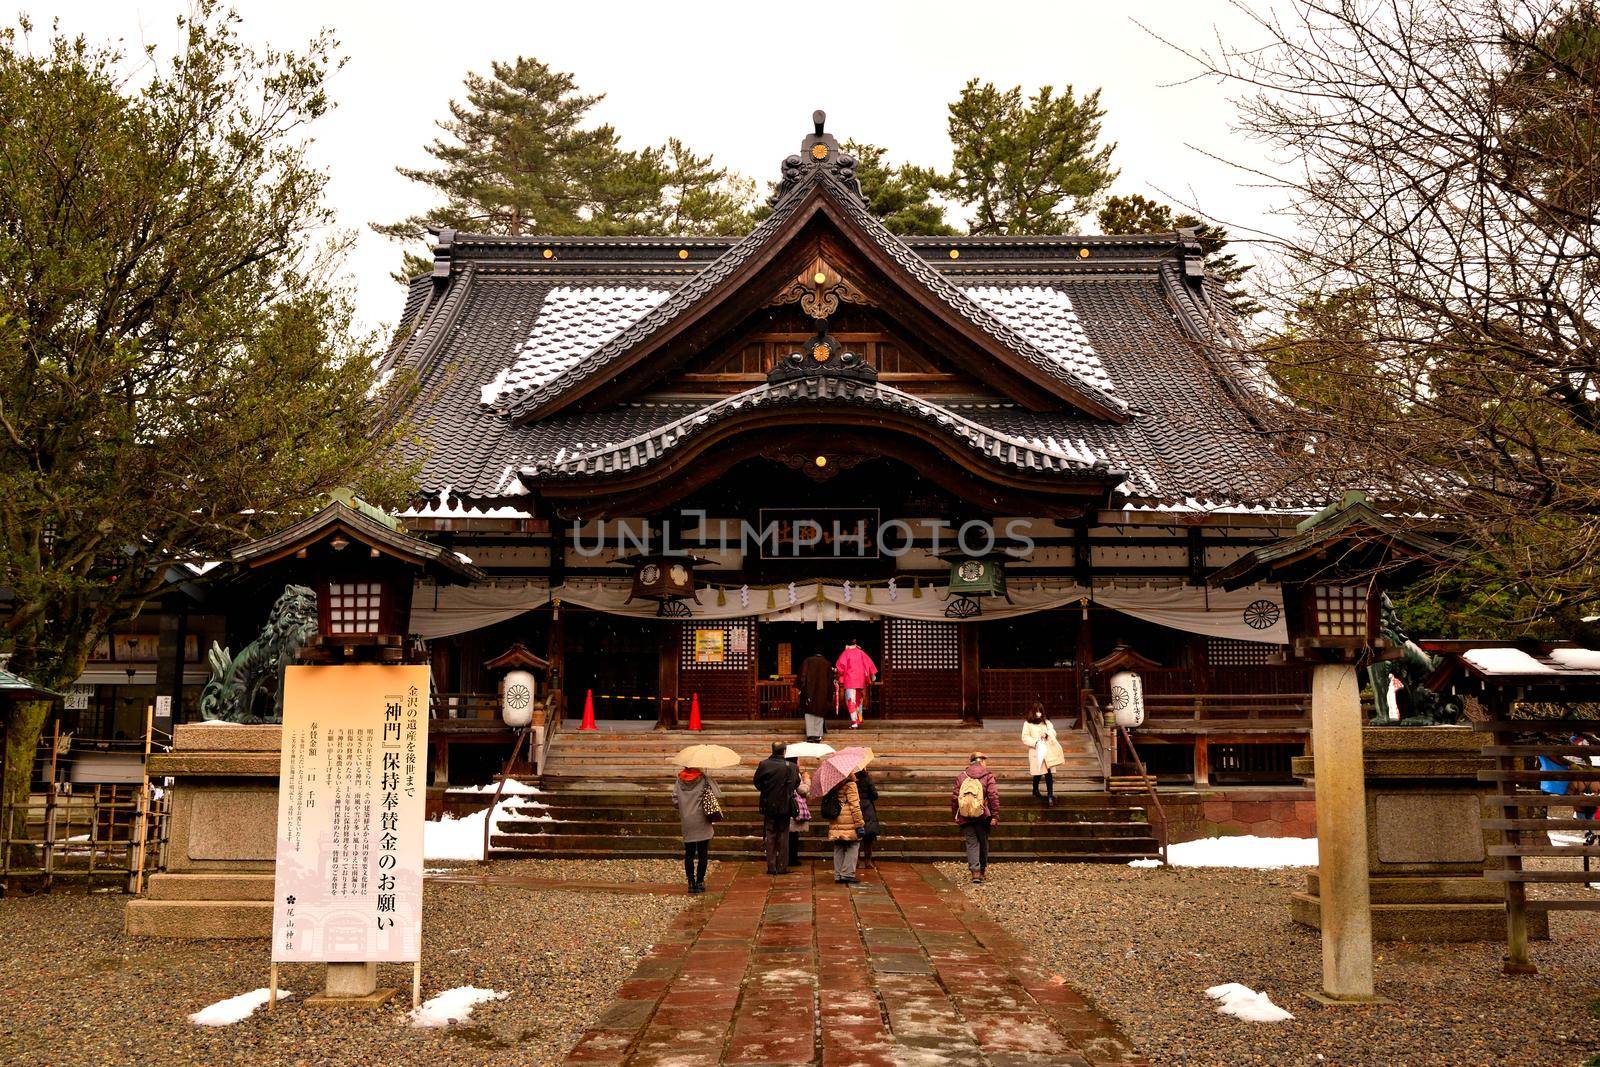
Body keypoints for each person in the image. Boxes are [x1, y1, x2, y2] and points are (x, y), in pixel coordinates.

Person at [951, 751, 1000, 884]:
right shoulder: (988, 776)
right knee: (983, 842)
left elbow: (955, 797)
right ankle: (982, 870)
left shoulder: (962, 776)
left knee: (971, 843)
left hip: (965, 815)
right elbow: (993, 796)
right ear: (981, 761)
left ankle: (975, 873)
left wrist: (955, 814)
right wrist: (995, 815)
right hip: (983, 816)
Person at [671, 765, 720, 894]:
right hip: (702, 820)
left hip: (687, 821)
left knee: (689, 853)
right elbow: (716, 794)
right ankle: (700, 881)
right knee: (703, 853)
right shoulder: (703, 779)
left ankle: (691, 883)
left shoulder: (679, 780)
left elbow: (675, 801)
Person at [753, 740, 800, 875]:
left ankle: (771, 866)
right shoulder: (791, 766)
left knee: (770, 834)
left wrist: (768, 791)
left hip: (768, 804)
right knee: (783, 836)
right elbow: (796, 783)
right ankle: (782, 866)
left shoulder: (764, 764)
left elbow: (757, 782)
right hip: (785, 805)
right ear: (784, 751)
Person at [823, 771, 867, 883]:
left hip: (836, 817)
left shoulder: (832, 784)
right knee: (853, 844)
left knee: (839, 845)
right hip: (848, 818)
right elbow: (855, 806)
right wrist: (859, 824)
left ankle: (838, 874)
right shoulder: (851, 784)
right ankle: (847, 873)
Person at [1021, 702, 1064, 805]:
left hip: (1047, 751)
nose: (1038, 713)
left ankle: (1050, 795)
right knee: (1038, 773)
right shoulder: (1027, 724)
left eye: (1040, 711)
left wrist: (1047, 734)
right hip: (1036, 751)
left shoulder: (1047, 722)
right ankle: (1035, 789)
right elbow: (1025, 737)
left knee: (1048, 773)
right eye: (1037, 711)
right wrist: (1036, 742)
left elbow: (1053, 732)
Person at [835, 638, 879, 729]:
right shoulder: (861, 652)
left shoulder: (846, 653)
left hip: (850, 681)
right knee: (858, 701)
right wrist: (872, 674)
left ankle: (854, 722)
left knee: (851, 701)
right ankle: (858, 720)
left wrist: (837, 673)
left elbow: (840, 667)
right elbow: (869, 663)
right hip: (861, 681)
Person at [796, 651, 834, 741]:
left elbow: (802, 676)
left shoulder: (807, 661)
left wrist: (802, 688)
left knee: (809, 713)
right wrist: (829, 694)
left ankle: (810, 735)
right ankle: (817, 735)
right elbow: (830, 681)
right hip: (822, 692)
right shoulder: (827, 664)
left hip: (809, 691)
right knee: (819, 712)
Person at [788, 758, 812, 869]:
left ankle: (787, 858)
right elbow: (802, 790)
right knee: (793, 835)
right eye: (798, 760)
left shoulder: (785, 770)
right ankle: (792, 859)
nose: (800, 763)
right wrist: (806, 780)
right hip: (794, 806)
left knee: (787, 834)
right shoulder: (794, 772)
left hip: (785, 805)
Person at [856, 768, 881, 869]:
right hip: (867, 808)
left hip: (856, 807)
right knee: (868, 837)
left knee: (856, 837)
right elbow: (874, 795)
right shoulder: (867, 778)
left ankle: (856, 860)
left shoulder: (851, 779)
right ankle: (868, 861)